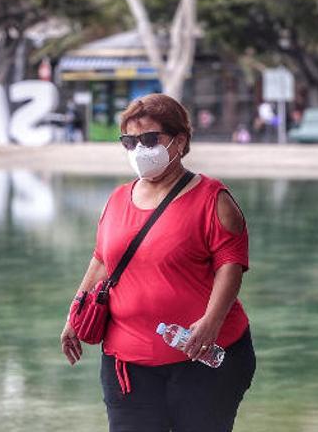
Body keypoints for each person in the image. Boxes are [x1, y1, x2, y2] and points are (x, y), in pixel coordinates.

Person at [60, 93, 255, 432]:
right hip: (127, 366)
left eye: (149, 139)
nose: (139, 149)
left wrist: (211, 322)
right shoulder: (117, 199)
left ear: (179, 141)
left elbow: (231, 265)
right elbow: (102, 261)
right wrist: (74, 315)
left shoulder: (213, 199)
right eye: (129, 141)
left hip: (204, 359)